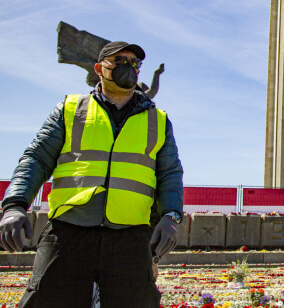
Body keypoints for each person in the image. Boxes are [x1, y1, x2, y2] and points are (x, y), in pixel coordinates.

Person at [0, 41, 184, 308]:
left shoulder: (158, 120)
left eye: (134, 63)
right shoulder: (70, 109)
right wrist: (14, 205)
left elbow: (170, 174)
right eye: (119, 62)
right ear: (99, 68)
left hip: (130, 238)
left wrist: (171, 215)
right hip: (68, 233)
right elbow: (36, 159)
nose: (128, 68)